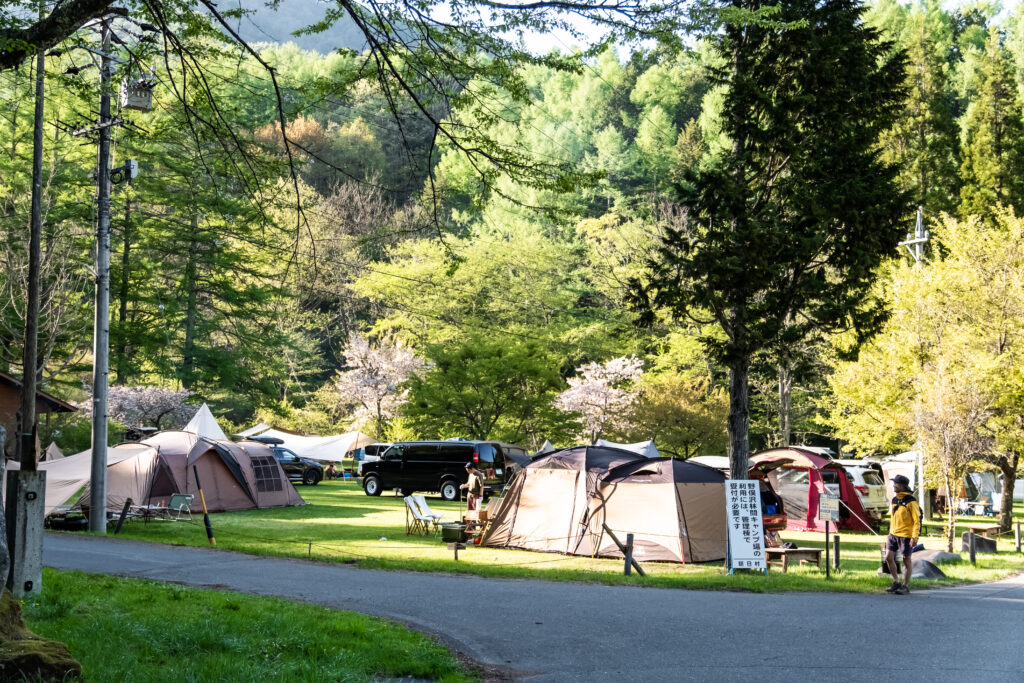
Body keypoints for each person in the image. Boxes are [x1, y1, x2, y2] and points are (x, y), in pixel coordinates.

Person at [885, 474, 921, 595]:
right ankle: (896, 582)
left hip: (905, 535)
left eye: (896, 484)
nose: (894, 485)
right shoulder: (894, 500)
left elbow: (917, 520)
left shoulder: (911, 501)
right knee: (888, 558)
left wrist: (914, 537)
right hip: (893, 534)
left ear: (902, 486)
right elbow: (893, 518)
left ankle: (905, 585)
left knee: (907, 560)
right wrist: (890, 533)